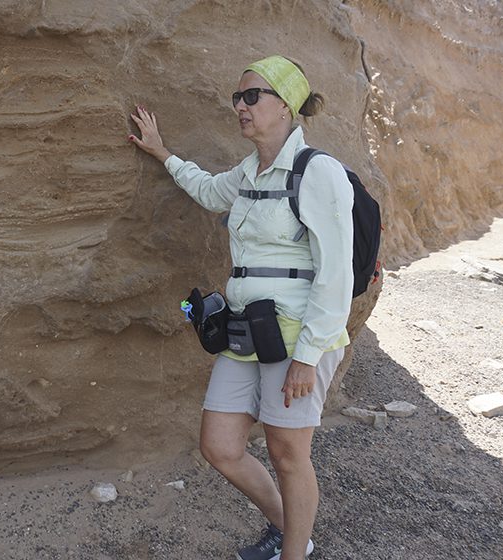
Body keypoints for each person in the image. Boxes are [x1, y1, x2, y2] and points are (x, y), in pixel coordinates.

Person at [129, 55, 354, 560]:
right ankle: (294, 530)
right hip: (247, 330)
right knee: (220, 446)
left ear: (286, 105)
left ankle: (294, 553)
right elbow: (210, 192)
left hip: (297, 336)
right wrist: (163, 153)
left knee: (288, 454)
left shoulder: (318, 172)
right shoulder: (251, 171)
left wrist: (309, 355)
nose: (241, 106)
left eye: (252, 96)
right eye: (237, 97)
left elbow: (337, 273)